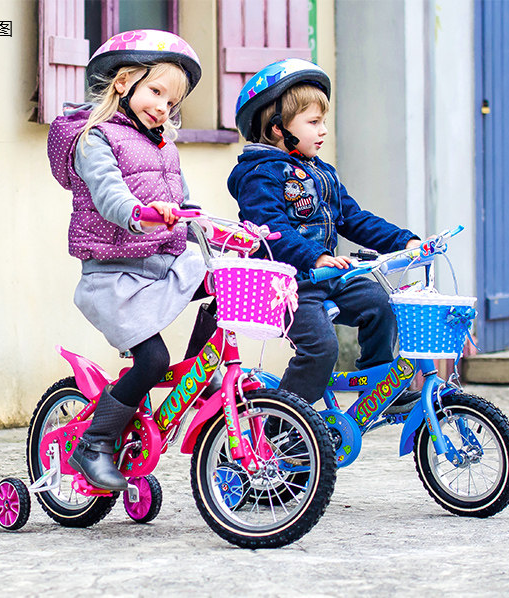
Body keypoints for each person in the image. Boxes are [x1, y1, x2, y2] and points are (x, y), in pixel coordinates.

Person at [47, 29, 214, 490]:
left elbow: (187, 208)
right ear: (123, 82)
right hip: (114, 274)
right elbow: (110, 196)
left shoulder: (164, 146)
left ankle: (200, 378)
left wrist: (229, 235)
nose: (163, 107)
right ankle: (94, 443)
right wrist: (141, 216)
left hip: (162, 263)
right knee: (153, 360)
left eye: (171, 101)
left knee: (225, 285)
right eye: (156, 91)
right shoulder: (95, 139)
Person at [227, 58, 423, 409]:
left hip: (329, 275)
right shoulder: (259, 175)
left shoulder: (322, 172)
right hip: (287, 286)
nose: (323, 131)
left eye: (323, 122)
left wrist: (404, 241)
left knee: (381, 304)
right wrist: (314, 255)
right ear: (277, 129)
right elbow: (272, 230)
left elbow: (354, 219)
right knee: (321, 347)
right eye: (314, 122)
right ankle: (284, 424)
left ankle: (379, 385)